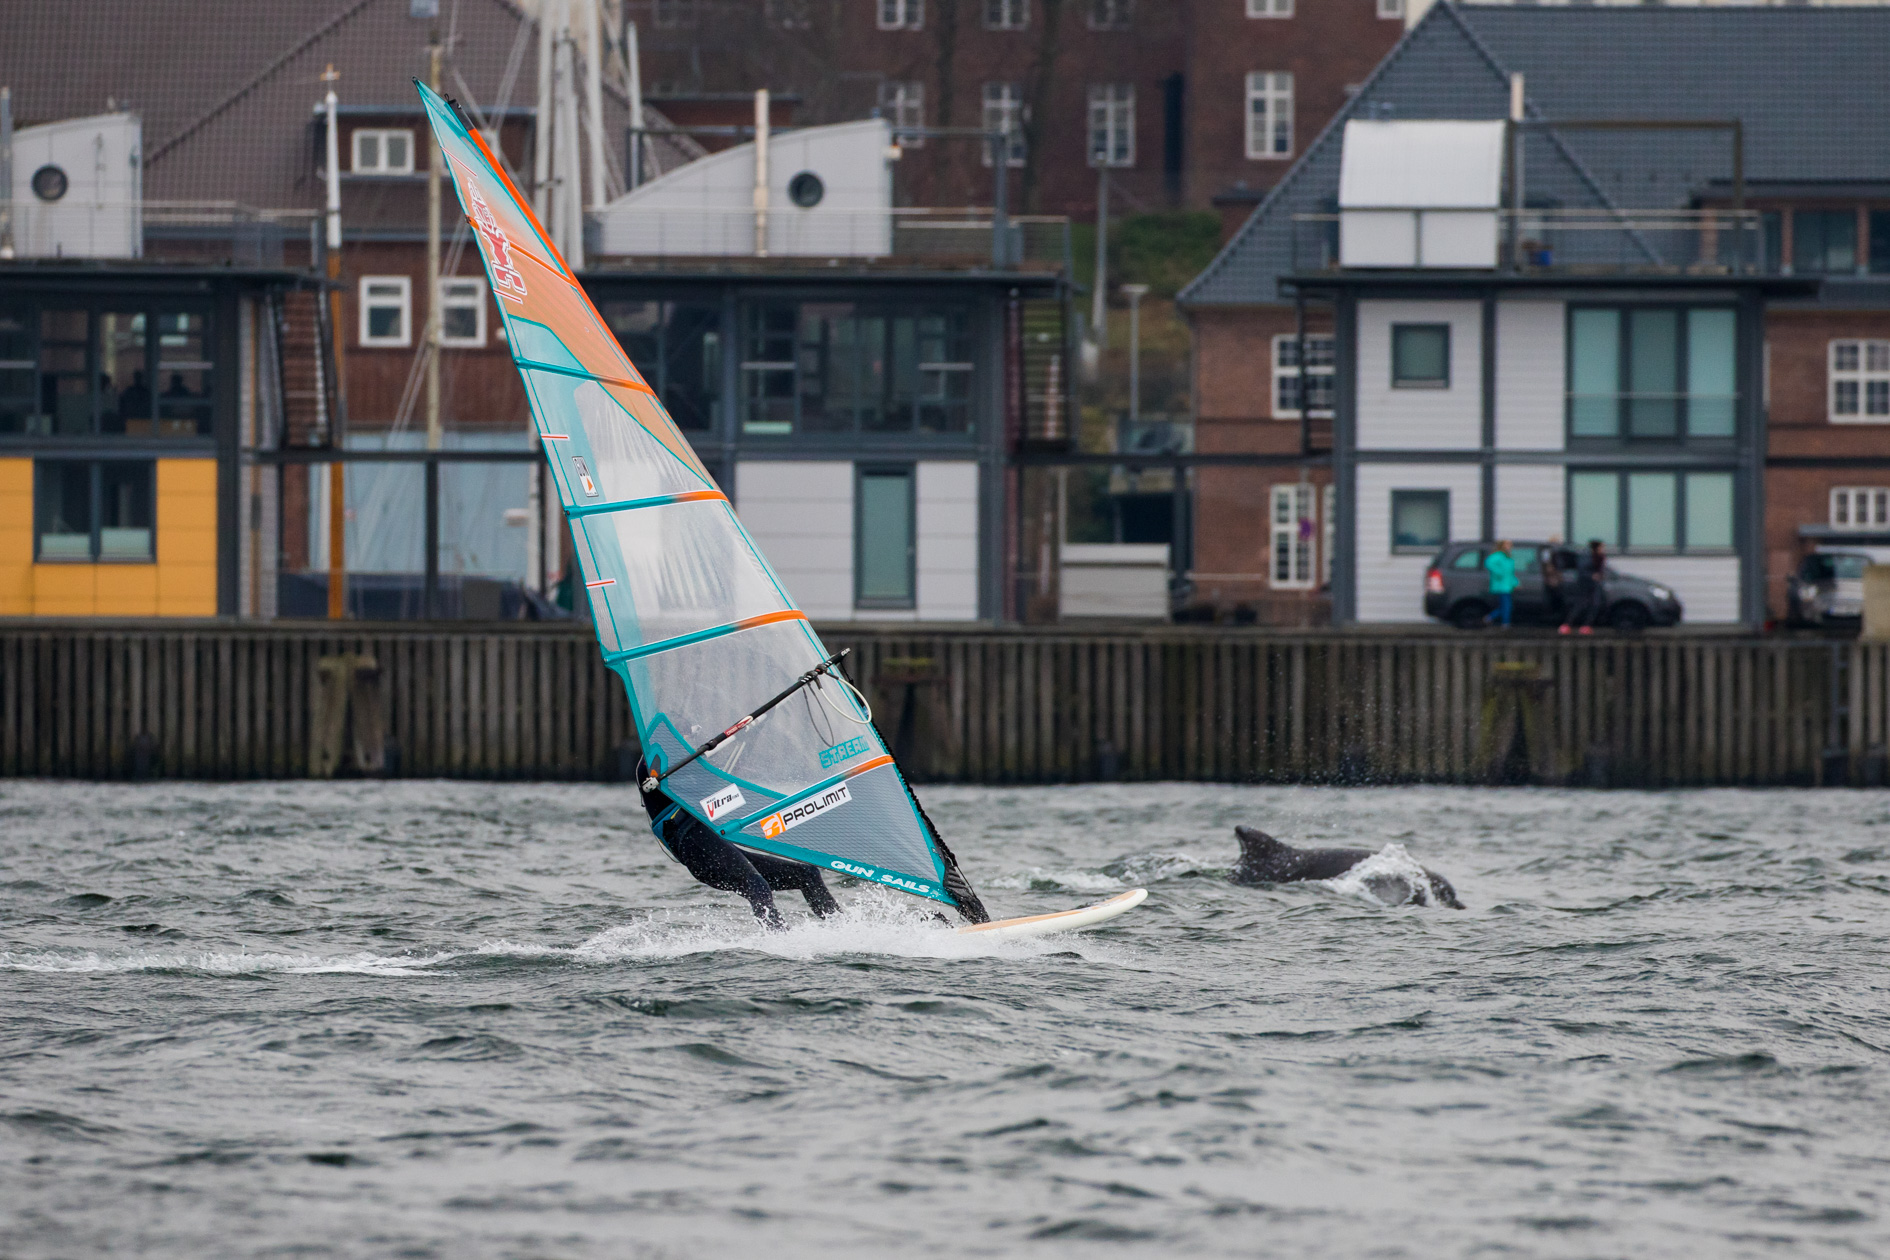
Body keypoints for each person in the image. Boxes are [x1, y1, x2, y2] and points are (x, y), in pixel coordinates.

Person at [635, 756, 839, 928]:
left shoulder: (691, 760)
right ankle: (780, 940)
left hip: (709, 839)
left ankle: (841, 929)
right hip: (693, 844)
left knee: (807, 875)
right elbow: (678, 779)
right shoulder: (653, 763)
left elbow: (718, 785)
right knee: (756, 885)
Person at [1560, 539, 1608, 635]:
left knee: (1595, 604)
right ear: (1596, 547)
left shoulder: (1600, 557)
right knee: (1581, 604)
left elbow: (1601, 570)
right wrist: (1592, 576)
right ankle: (1567, 625)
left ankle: (1586, 626)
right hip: (1585, 584)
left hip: (1595, 585)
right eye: (1602, 547)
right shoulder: (1586, 557)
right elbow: (1582, 571)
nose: (1603, 549)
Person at [1483, 539, 1518, 628]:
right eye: (1507, 545)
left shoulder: (1508, 557)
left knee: (1506, 606)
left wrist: (1515, 583)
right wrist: (1499, 573)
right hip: (1501, 585)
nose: (1509, 547)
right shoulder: (1498, 556)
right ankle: (1503, 622)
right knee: (1506, 606)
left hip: (1507, 585)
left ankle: (1493, 618)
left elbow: (1510, 573)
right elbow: (1489, 563)